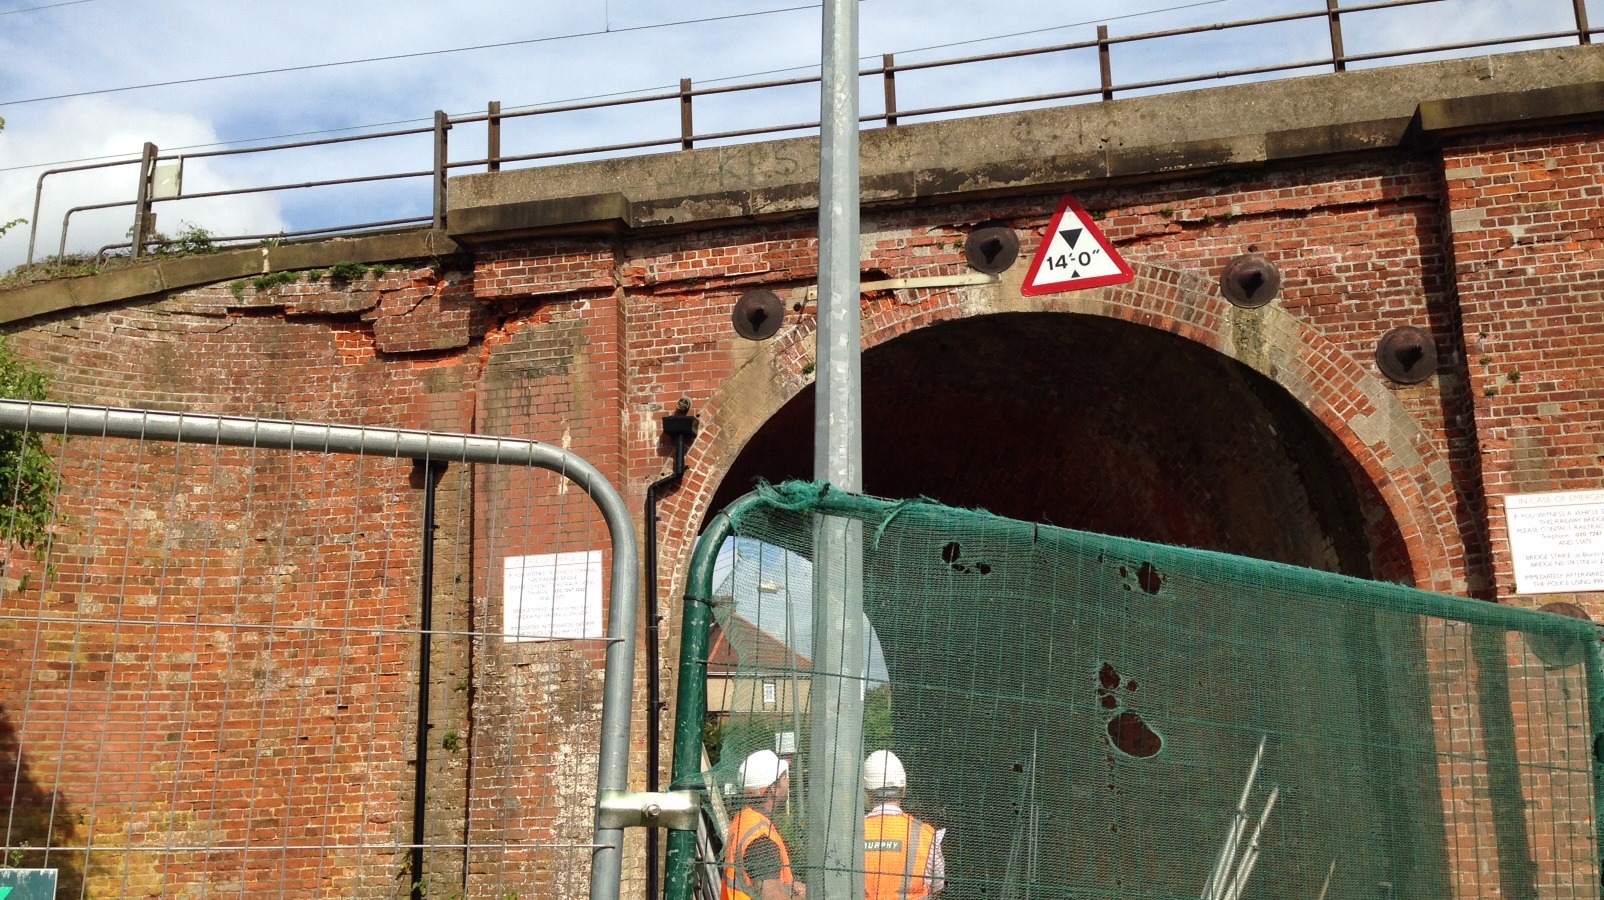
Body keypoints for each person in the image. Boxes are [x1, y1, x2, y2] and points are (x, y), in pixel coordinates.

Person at [863, 750, 946, 900]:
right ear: (904, 790)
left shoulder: (850, 834)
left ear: (867, 793)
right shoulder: (924, 835)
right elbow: (937, 885)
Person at [724, 749, 806, 900]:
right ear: (772, 789)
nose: (788, 781)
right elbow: (770, 896)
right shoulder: (762, 838)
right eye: (784, 777)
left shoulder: (745, 818)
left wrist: (789, 888)